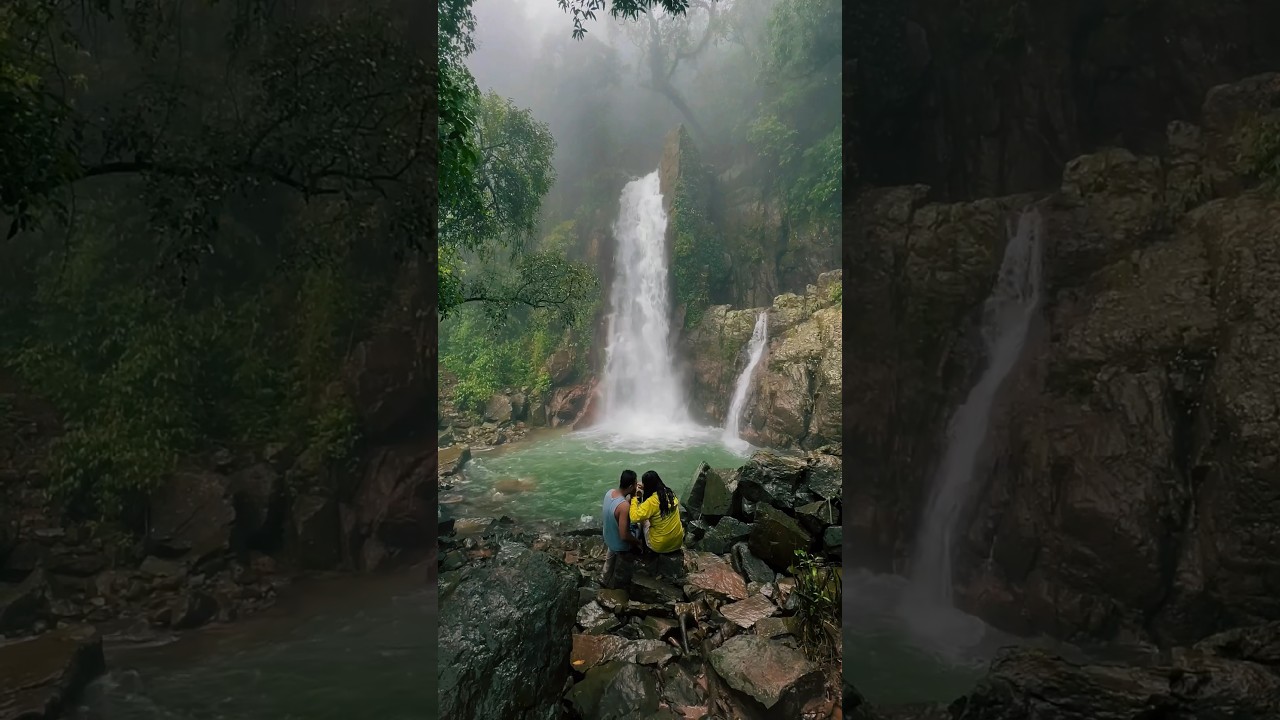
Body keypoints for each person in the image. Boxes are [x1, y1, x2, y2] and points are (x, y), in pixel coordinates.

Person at [601, 469, 643, 589]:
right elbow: (624, 535)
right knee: (641, 523)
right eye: (635, 484)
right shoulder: (624, 506)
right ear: (630, 486)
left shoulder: (609, 493)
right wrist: (638, 542)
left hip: (608, 538)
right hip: (620, 545)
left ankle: (604, 576)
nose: (636, 486)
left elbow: (616, 511)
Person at [629, 470, 684, 558]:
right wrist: (645, 487)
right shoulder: (669, 493)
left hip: (659, 545)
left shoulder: (651, 502)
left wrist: (634, 498)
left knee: (643, 521)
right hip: (677, 542)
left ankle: (643, 551)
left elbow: (634, 517)